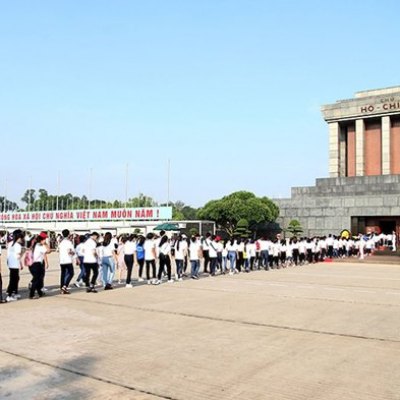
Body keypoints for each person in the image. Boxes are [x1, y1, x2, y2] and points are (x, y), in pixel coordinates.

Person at [30, 232, 51, 299]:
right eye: (45, 239)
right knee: (37, 280)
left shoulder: (36, 244)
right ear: (42, 239)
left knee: (39, 279)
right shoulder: (39, 246)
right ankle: (32, 294)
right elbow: (49, 251)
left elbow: (44, 254)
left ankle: (40, 292)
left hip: (34, 264)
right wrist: (45, 244)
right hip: (37, 264)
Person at [6, 229, 24, 302]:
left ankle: (14, 292)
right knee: (13, 280)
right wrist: (21, 264)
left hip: (10, 264)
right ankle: (9, 295)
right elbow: (18, 256)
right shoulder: (18, 246)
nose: (21, 239)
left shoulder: (10, 244)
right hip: (15, 265)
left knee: (15, 278)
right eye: (21, 238)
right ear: (18, 237)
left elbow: (8, 255)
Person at [58, 229, 76, 294]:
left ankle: (62, 287)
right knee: (71, 273)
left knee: (63, 274)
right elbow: (69, 251)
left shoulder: (61, 242)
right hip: (67, 260)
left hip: (62, 260)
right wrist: (73, 253)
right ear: (68, 234)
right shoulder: (69, 242)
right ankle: (65, 286)